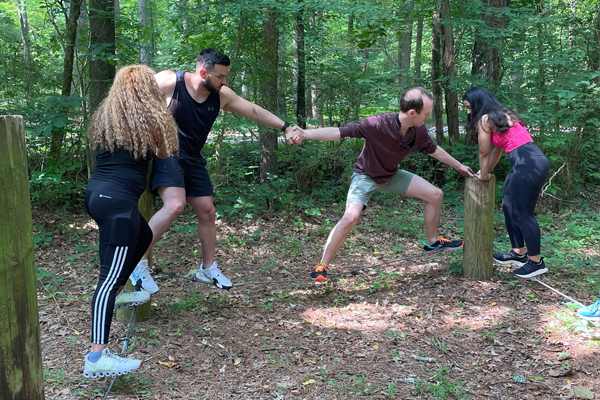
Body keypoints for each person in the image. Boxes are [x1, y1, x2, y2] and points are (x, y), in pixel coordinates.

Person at [129, 48, 300, 293]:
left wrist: (285, 127)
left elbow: (252, 110)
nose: (224, 81)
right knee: (175, 205)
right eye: (220, 76)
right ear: (202, 72)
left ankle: (207, 269)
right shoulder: (169, 81)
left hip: (193, 158)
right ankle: (138, 263)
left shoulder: (220, 95)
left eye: (225, 76)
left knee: (208, 212)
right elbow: (131, 100)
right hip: (167, 153)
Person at [290, 87, 474, 282]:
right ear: (412, 113)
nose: (428, 117)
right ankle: (322, 266)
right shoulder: (377, 123)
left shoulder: (417, 131)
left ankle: (431, 242)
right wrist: (306, 133)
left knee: (435, 195)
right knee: (350, 218)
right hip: (365, 176)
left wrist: (458, 165)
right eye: (426, 113)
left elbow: (434, 150)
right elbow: (339, 132)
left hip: (391, 175)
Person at [83, 65, 179, 377]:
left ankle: (125, 287)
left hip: (99, 195)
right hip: (119, 207)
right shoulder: (153, 118)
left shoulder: (107, 116)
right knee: (107, 281)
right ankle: (97, 357)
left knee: (141, 237)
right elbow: (165, 154)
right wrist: (168, 115)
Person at [462, 86, 550, 278]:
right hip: (527, 161)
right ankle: (517, 252)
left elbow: (484, 151)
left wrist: (483, 176)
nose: (468, 112)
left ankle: (536, 262)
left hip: (528, 163)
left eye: (469, 107)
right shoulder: (502, 115)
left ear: (477, 104)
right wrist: (484, 172)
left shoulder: (485, 119)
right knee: (508, 205)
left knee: (523, 213)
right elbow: (497, 150)